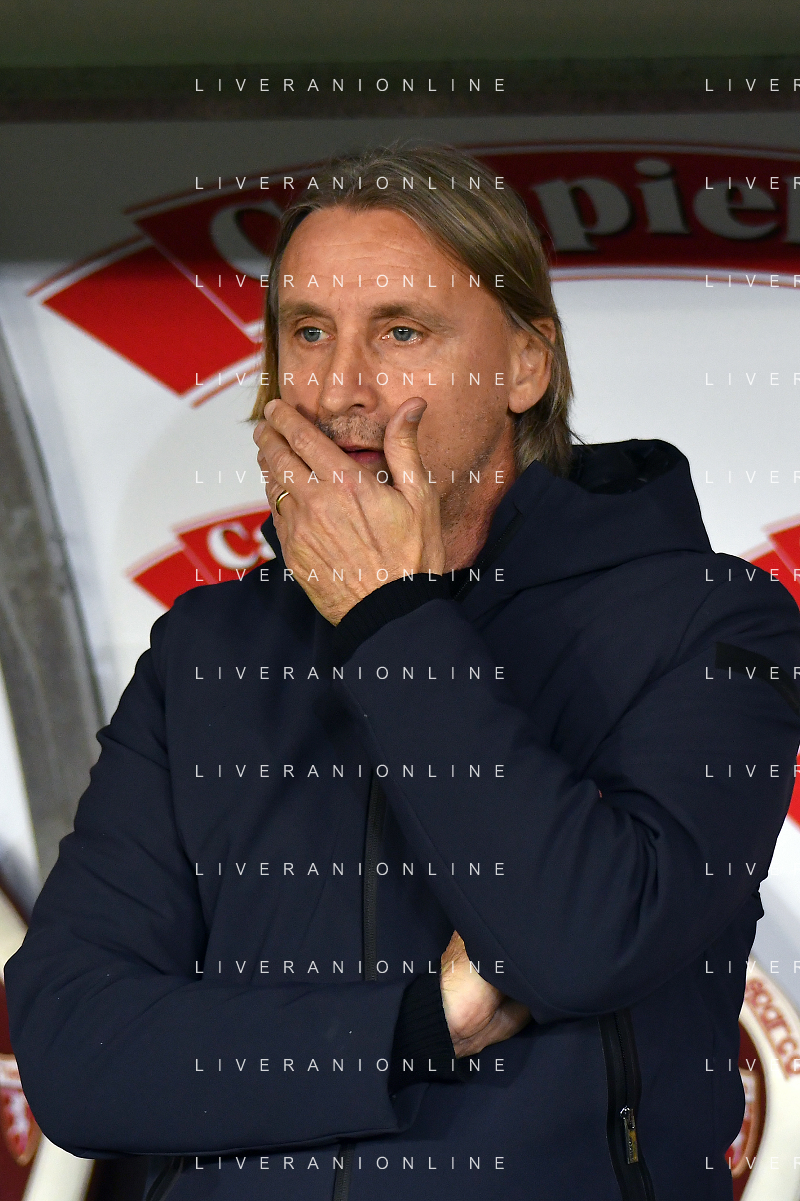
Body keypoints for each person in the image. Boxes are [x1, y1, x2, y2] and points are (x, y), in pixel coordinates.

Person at [6, 144, 800, 1201]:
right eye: (308, 333)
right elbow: (73, 1055)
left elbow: (578, 945)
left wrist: (390, 620)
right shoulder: (208, 649)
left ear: (525, 364)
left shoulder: (711, 621)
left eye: (400, 332)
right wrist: (415, 1024)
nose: (341, 388)